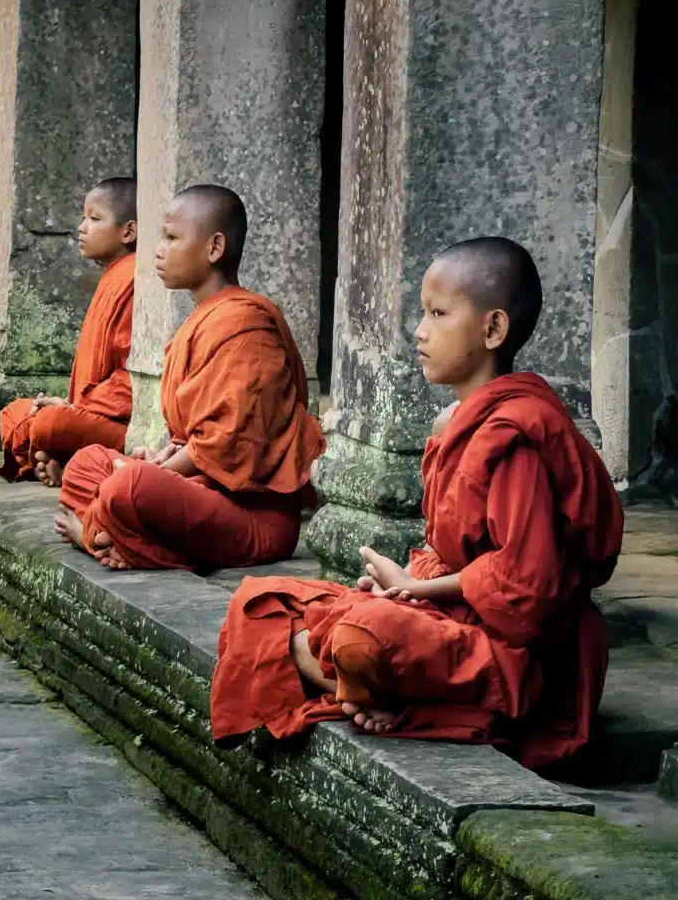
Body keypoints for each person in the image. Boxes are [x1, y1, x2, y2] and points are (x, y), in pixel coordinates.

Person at [210, 237, 624, 771]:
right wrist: (404, 582)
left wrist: (414, 590)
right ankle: (364, 687)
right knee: (261, 600)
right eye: (422, 313)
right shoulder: (454, 425)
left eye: (438, 313)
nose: (419, 331)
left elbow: (526, 591)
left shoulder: (515, 434)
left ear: (493, 329)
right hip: (453, 620)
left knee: (363, 636)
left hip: (515, 655)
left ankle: (362, 684)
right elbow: (452, 547)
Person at [55, 184, 323, 571]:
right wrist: (165, 455)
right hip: (201, 492)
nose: (158, 249)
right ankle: (118, 533)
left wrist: (155, 472)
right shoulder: (202, 319)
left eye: (171, 237)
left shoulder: (246, 323)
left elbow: (233, 443)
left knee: (130, 487)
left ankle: (96, 537)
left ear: (214, 248)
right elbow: (196, 436)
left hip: (252, 516)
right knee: (86, 464)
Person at [0, 177, 137, 485]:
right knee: (14, 411)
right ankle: (61, 460)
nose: (82, 227)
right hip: (89, 412)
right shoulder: (113, 277)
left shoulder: (132, 281)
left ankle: (61, 461)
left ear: (128, 231)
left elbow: (130, 383)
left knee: (50, 424)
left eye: (95, 218)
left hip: (117, 423)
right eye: (84, 217)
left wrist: (75, 406)